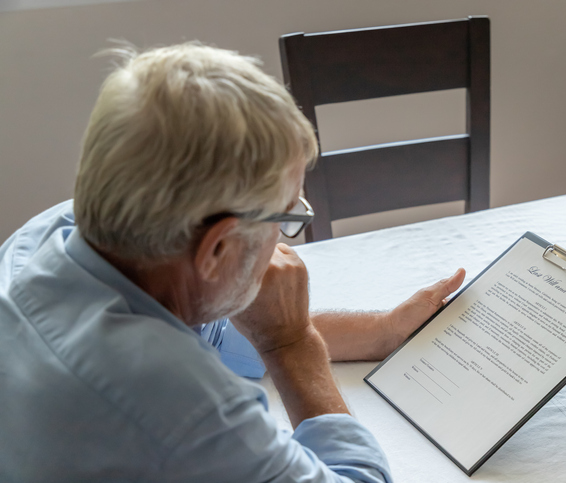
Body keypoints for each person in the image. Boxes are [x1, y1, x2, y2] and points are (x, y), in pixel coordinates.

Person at [0, 42, 465, 482]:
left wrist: (381, 330)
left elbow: (219, 336)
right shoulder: (178, 402)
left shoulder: (57, 233)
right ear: (218, 249)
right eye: (286, 216)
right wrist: (292, 345)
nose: (287, 241)